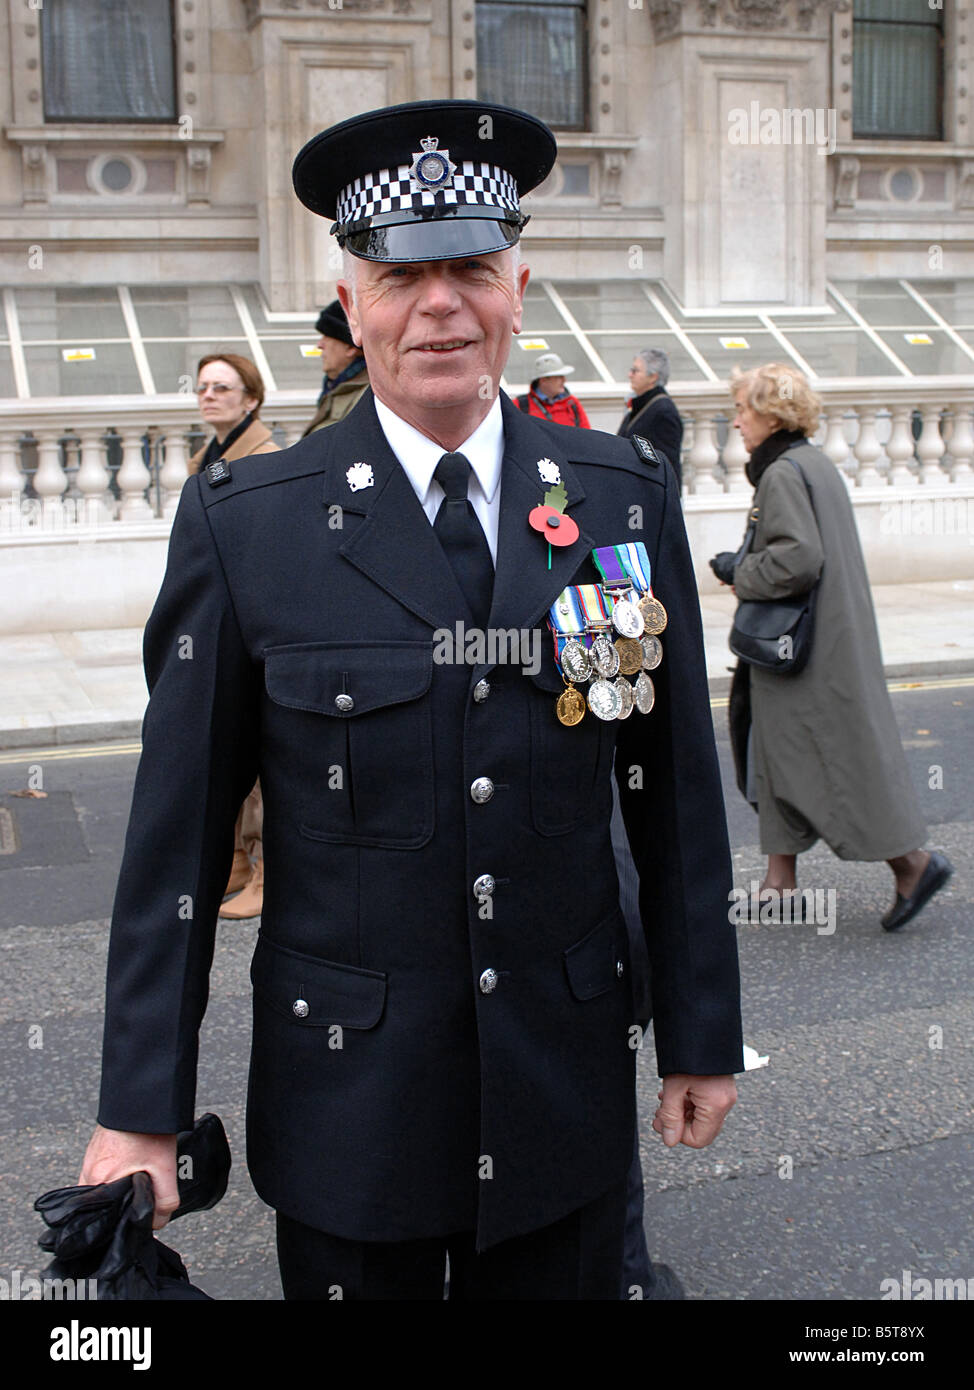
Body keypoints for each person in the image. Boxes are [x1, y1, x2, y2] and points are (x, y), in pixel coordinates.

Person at [80, 100, 743, 1301]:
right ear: (351, 301)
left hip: (561, 1095)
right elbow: (174, 842)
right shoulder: (249, 523)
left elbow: (672, 793)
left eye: (470, 270)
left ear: (517, 288)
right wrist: (140, 1108)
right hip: (352, 1112)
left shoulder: (619, 497)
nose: (439, 304)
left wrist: (696, 1029)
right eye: (400, 275)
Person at [710, 362, 953, 931]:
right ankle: (779, 881)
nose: (737, 422)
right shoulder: (812, 462)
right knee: (776, 754)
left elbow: (798, 558)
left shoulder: (781, 473)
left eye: (743, 410)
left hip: (806, 653)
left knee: (831, 763)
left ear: (770, 414)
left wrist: (741, 571)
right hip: (821, 643)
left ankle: (913, 864)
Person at [188, 353, 280, 921]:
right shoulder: (209, 456)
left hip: (255, 622)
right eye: (202, 387)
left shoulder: (264, 458)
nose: (208, 395)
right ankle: (239, 861)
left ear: (251, 399)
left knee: (263, 755)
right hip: (218, 620)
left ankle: (268, 872)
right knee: (225, 747)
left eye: (222, 387)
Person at [301, 299, 370, 437]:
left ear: (351, 347)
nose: (320, 345)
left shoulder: (364, 398)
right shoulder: (338, 387)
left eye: (327, 337)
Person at [618, 348, 684, 486]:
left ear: (653, 377)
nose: (629, 374)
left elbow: (668, 466)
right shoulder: (642, 404)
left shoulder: (663, 411)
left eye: (635, 371)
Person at [515, 351, 590, 427]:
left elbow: (587, 435)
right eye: (559, 377)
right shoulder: (520, 405)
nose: (564, 380)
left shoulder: (572, 403)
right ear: (543, 380)